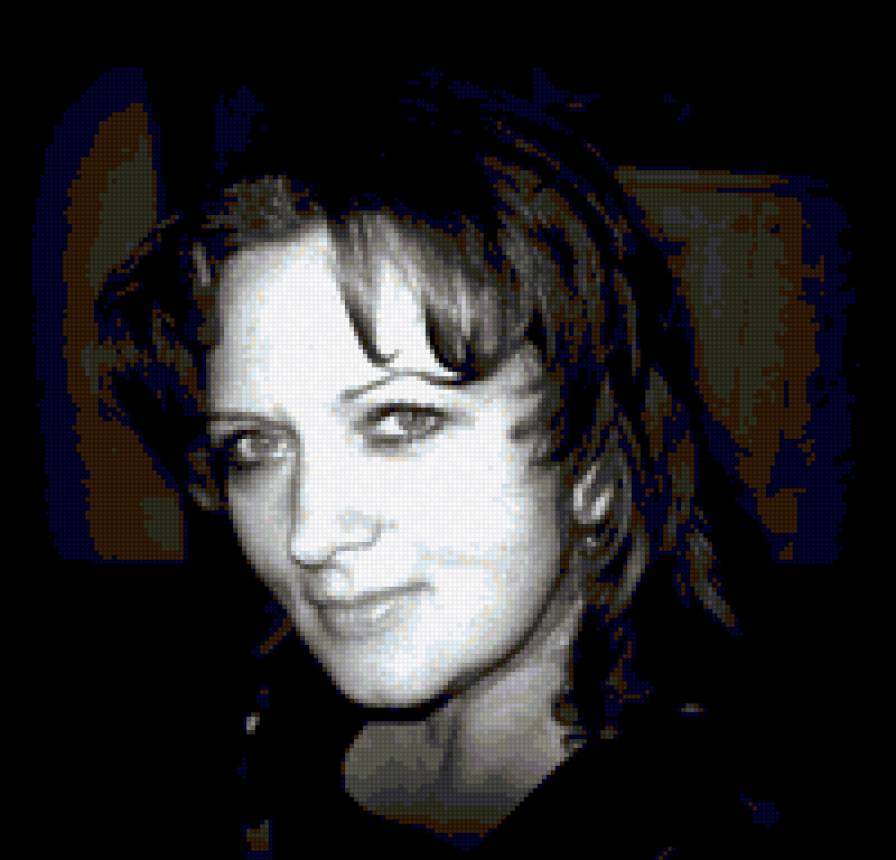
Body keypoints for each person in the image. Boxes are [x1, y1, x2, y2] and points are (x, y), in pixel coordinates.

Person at [94, 73, 806, 856]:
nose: (308, 536)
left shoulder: (707, 826)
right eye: (254, 446)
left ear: (594, 468)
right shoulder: (261, 716)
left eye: (402, 421)